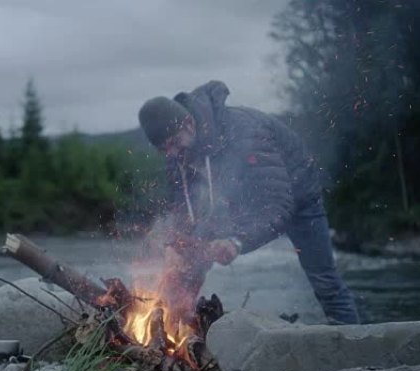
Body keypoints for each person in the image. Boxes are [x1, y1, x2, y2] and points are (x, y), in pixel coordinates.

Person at [137, 80, 360, 325]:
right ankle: (176, 330)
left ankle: (352, 340)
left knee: (324, 280)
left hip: (297, 201)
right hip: (234, 204)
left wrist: (236, 241)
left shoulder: (243, 133)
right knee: (186, 263)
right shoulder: (178, 152)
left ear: (188, 124)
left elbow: (278, 203)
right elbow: (180, 204)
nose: (171, 153)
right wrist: (174, 243)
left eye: (173, 145)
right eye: (163, 150)